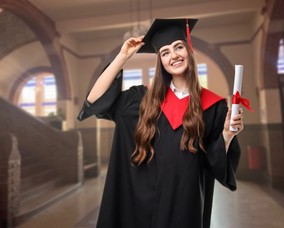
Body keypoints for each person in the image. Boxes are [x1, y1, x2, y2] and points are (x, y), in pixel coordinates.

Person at [77, 18, 243, 228]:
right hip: (141, 205)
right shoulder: (140, 99)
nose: (173, 55)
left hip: (185, 204)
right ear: (160, 61)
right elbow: (95, 100)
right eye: (165, 52)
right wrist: (122, 57)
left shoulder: (213, 106)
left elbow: (214, 163)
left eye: (178, 47)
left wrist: (227, 134)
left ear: (189, 51)